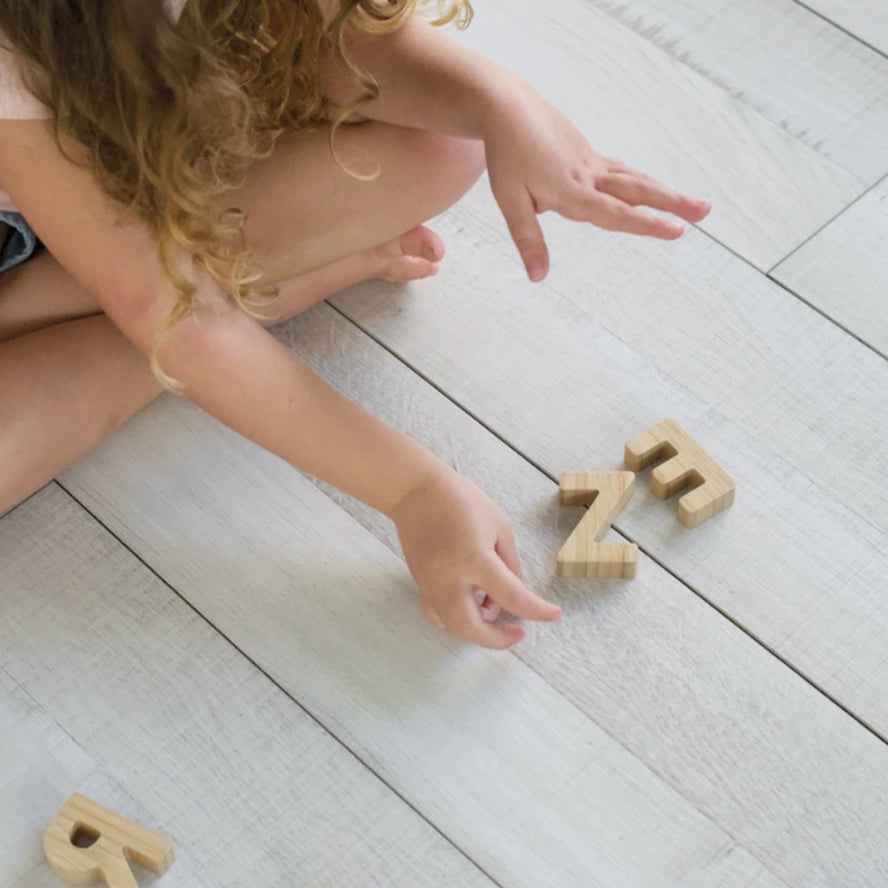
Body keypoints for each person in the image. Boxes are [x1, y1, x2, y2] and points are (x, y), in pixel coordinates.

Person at [0, 0, 711, 649]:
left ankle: (160, 294)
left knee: (442, 143)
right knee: (169, 316)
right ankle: (249, 293)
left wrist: (500, 101)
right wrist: (410, 490)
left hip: (82, 203)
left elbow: (345, 48)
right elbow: (179, 318)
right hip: (57, 205)